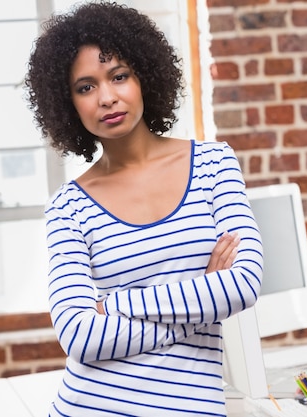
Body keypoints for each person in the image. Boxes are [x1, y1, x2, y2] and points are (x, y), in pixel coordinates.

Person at [24, 2, 263, 416]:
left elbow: (243, 284)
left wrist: (116, 304)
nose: (107, 98)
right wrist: (203, 296)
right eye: (85, 87)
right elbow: (79, 335)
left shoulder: (213, 165)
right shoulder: (68, 207)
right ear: (67, 104)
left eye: (119, 76)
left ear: (144, 77)